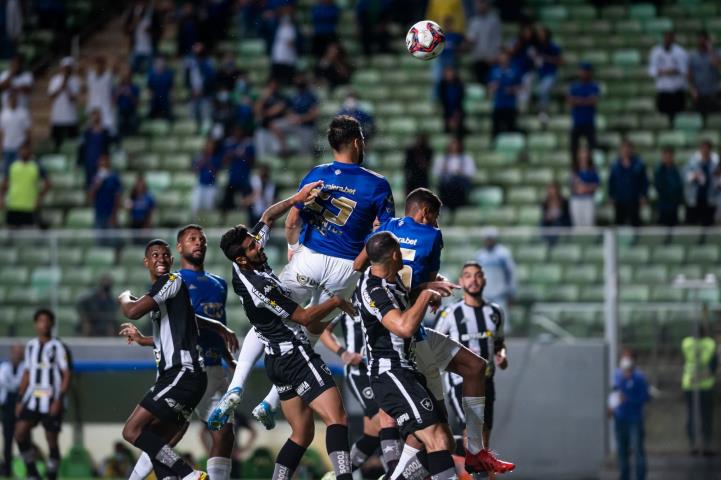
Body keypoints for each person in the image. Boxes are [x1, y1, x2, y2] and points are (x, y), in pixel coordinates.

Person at [209, 115, 394, 432]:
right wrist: (360, 263)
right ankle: (269, 401)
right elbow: (382, 238)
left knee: (270, 323)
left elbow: (291, 221)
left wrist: (295, 248)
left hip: (308, 257)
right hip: (345, 266)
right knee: (309, 332)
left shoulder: (317, 175)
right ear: (356, 142)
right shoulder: (377, 184)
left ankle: (235, 388)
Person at [350, 189, 515, 476]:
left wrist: (426, 286)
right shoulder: (427, 241)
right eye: (435, 218)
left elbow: (358, 263)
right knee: (437, 438)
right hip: (401, 354)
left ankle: (474, 452)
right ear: (426, 213)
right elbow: (406, 319)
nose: (436, 224)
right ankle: (468, 453)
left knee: (470, 375)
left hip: (414, 340)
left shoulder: (387, 235)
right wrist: (429, 291)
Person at [216, 182, 357, 480]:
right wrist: (336, 301)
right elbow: (304, 318)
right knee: (338, 419)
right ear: (241, 258)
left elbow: (267, 216)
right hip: (295, 357)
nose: (259, 245)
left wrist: (296, 197)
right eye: (253, 246)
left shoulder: (246, 259)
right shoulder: (262, 287)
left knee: (302, 434)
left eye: (256, 240)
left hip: (276, 362)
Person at [128, 225, 239, 480]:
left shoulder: (219, 284)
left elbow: (214, 332)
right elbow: (178, 326)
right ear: (179, 248)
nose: (198, 243)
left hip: (213, 371)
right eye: (191, 239)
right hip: (184, 370)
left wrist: (229, 359)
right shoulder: (171, 281)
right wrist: (146, 340)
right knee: (166, 436)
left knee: (224, 434)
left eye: (202, 239)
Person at [354, 231, 458, 480]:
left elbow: (403, 302)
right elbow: (404, 327)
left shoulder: (390, 279)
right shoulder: (374, 290)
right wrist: (424, 296)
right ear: (394, 254)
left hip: (405, 371)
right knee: (437, 439)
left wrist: (427, 287)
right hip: (390, 373)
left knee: (444, 439)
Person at [117, 239, 209, 480]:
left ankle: (189, 475)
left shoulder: (171, 281)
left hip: (182, 372)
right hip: (189, 377)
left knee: (131, 431)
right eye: (155, 255)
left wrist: (124, 296)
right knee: (155, 442)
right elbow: (167, 339)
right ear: (146, 261)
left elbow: (132, 311)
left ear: (171, 260)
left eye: (165, 255)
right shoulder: (164, 298)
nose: (161, 259)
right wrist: (141, 339)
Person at [434, 263, 509, 457]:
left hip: (487, 381)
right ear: (461, 281)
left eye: (477, 276)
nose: (473, 280)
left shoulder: (496, 312)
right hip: (459, 381)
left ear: (484, 280)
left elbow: (499, 342)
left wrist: (502, 355)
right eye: (467, 276)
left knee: (483, 436)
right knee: (472, 432)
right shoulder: (450, 314)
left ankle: (438, 452)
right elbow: (432, 345)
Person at [14, 309, 71, 480]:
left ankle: (52, 475)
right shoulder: (31, 346)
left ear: (52, 324)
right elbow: (27, 373)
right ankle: (32, 473)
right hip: (32, 399)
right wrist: (19, 398)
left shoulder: (58, 346)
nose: (44, 324)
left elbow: (66, 374)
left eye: (47, 320)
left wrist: (59, 398)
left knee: (51, 440)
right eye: (40, 320)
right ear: (35, 324)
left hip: (51, 399)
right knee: (20, 433)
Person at [611, 349, 650, 480]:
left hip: (635, 419)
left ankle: (641, 476)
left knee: (638, 450)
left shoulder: (639, 377)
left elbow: (645, 397)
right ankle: (624, 476)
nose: (625, 360)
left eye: (628, 357)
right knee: (622, 451)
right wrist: (611, 407)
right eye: (623, 357)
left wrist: (628, 398)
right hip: (620, 418)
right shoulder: (617, 374)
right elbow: (615, 392)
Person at [681, 325, 717, 456]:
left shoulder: (686, 343)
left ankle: (694, 444)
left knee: (692, 415)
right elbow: (713, 366)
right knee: (706, 416)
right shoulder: (710, 344)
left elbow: (683, 361)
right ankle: (705, 444)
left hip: (690, 384)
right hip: (705, 385)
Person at [474, 228, 516, 331]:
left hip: (500, 295)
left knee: (501, 326)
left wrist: (511, 292)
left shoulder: (503, 254)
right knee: (483, 326)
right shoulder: (479, 255)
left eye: (490, 239)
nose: (488, 241)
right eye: (486, 239)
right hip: (484, 295)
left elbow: (511, 274)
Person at [0, 142, 50, 228]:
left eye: (26, 150)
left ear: (30, 152)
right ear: (19, 152)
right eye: (22, 150)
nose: (24, 152)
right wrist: (2, 197)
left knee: (28, 234)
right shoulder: (12, 166)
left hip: (30, 206)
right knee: (11, 233)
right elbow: (5, 183)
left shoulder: (36, 166)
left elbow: (48, 183)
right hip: (13, 205)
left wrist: (39, 197)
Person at [648, 31, 688, 126]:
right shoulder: (656, 52)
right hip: (663, 90)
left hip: (677, 90)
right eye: (666, 38)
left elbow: (684, 70)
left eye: (670, 38)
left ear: (673, 39)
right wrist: (662, 72)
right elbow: (652, 71)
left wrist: (672, 71)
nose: (667, 40)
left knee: (679, 116)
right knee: (663, 117)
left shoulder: (680, 52)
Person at [433, 136, 475, 222]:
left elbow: (471, 172)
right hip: (447, 182)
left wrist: (461, 172)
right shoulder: (442, 158)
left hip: (460, 182)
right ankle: (446, 206)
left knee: (457, 182)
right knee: (446, 182)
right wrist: (443, 170)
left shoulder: (466, 158)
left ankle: (459, 205)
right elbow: (436, 172)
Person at [608, 140, 648, 227]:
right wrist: (611, 195)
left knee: (635, 224)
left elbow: (644, 181)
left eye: (628, 149)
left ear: (632, 150)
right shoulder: (615, 165)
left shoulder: (639, 164)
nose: (626, 151)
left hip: (634, 199)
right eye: (624, 149)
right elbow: (611, 182)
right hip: (620, 200)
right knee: (619, 224)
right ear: (620, 150)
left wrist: (643, 195)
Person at [567, 62, 600, 163]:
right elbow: (570, 101)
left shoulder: (594, 86)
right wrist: (586, 100)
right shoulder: (574, 86)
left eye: (585, 71)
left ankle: (589, 168)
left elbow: (594, 101)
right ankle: (575, 169)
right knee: (573, 148)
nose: (583, 73)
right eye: (582, 71)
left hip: (589, 122)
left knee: (591, 148)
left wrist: (579, 101)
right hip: (577, 122)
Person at [220, 127, 255, 220]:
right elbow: (224, 160)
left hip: (244, 178)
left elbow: (252, 161)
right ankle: (224, 220)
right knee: (226, 201)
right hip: (233, 177)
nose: (237, 134)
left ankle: (250, 220)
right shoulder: (230, 144)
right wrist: (232, 154)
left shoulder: (248, 144)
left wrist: (243, 155)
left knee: (248, 201)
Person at [48, 57, 81, 151]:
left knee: (73, 144)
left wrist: (67, 86)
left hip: (71, 118)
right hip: (57, 117)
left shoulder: (76, 80)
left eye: (69, 67)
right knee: (56, 143)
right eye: (65, 67)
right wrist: (61, 86)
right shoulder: (55, 80)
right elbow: (51, 97)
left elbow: (73, 98)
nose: (66, 69)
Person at [0, 343, 24, 477]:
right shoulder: (4, 367)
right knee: (7, 440)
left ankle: (27, 469)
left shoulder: (26, 368)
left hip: (22, 407)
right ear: (11, 353)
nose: (17, 355)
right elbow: (5, 383)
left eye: (20, 352)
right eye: (15, 352)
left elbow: (20, 384)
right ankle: (7, 469)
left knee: (23, 437)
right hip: (7, 407)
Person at [683, 139, 719, 226]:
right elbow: (685, 176)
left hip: (709, 200)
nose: (705, 150)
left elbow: (717, 182)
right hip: (694, 199)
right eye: (703, 148)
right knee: (692, 225)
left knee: (708, 226)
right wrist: (693, 176)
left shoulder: (715, 164)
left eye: (707, 148)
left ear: (710, 150)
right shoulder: (692, 162)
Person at [688, 31, 721, 125]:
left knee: (715, 121)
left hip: (713, 93)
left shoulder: (717, 53)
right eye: (700, 42)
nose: (702, 44)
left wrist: (710, 50)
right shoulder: (693, 56)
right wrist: (692, 89)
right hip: (699, 94)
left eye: (704, 42)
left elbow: (717, 65)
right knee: (699, 120)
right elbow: (690, 75)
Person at [466, 0, 502, 85]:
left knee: (491, 85)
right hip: (478, 59)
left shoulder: (494, 21)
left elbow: (497, 40)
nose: (480, 6)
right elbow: (471, 39)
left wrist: (495, 56)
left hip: (491, 59)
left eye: (482, 3)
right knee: (479, 86)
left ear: (487, 5)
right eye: (478, 4)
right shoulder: (473, 21)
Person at [488, 49, 521, 140]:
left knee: (511, 128)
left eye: (504, 57)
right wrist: (493, 87)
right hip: (498, 104)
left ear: (508, 58)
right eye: (501, 57)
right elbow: (490, 86)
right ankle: (494, 147)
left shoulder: (514, 69)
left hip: (510, 104)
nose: (502, 59)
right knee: (496, 129)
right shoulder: (494, 70)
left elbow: (520, 86)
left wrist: (512, 89)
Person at [184, 43, 216, 131]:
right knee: (192, 116)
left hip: (205, 93)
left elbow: (211, 78)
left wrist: (203, 89)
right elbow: (187, 79)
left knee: (205, 115)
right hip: (193, 93)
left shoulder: (208, 62)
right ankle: (193, 131)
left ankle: (204, 133)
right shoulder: (190, 63)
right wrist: (192, 89)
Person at [79, 109, 112, 188]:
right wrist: (79, 161)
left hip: (102, 162)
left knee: (102, 184)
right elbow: (82, 147)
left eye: (97, 116)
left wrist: (107, 160)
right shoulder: (86, 132)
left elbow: (108, 146)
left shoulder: (105, 132)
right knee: (89, 184)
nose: (95, 118)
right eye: (93, 116)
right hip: (89, 161)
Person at [89, 155, 123, 233]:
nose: (102, 165)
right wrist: (97, 184)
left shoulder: (114, 177)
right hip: (99, 213)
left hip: (111, 213)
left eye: (104, 163)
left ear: (108, 163)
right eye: (100, 164)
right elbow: (91, 196)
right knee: (99, 239)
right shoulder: (95, 177)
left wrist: (115, 213)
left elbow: (118, 196)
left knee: (111, 237)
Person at [535, 26, 562, 121]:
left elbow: (559, 61)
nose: (540, 36)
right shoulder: (538, 47)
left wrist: (546, 58)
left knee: (544, 89)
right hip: (540, 74)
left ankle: (543, 111)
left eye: (542, 34)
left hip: (551, 73)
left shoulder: (553, 46)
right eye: (539, 35)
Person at [653, 147, 684, 227]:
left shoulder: (676, 170)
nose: (667, 158)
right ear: (663, 157)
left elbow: (679, 186)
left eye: (669, 156)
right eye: (666, 156)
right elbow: (658, 186)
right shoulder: (659, 171)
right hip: (663, 204)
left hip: (674, 204)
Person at [85, 56, 117, 133]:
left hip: (106, 110)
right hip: (93, 110)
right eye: (97, 64)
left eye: (101, 64)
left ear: (104, 65)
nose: (98, 66)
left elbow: (116, 66)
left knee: (111, 133)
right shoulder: (90, 76)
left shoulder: (109, 76)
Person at [270, 5, 300, 86]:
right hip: (279, 55)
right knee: (277, 76)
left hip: (288, 56)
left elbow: (292, 42)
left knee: (288, 78)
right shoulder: (277, 26)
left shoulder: (293, 27)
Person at [569, 147, 599, 227]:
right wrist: (581, 188)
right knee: (577, 224)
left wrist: (586, 188)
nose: (583, 156)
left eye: (585, 153)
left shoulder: (593, 169)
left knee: (589, 223)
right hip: (576, 200)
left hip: (588, 199)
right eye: (581, 154)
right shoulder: (574, 169)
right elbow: (573, 186)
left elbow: (596, 185)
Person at [0, 90, 30, 170]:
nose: (13, 100)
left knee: (19, 170)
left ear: (17, 100)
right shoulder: (4, 114)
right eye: (11, 99)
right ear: (8, 100)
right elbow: (2, 132)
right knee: (6, 171)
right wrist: (1, 147)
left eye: (15, 99)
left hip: (19, 147)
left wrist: (27, 146)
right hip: (7, 147)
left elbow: (27, 131)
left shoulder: (23, 113)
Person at [191, 138, 222, 216]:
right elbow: (194, 170)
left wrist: (208, 161)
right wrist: (203, 160)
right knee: (195, 206)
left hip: (211, 186)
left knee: (208, 207)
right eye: (207, 146)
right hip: (200, 184)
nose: (208, 148)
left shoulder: (216, 158)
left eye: (210, 146)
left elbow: (216, 172)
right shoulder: (199, 157)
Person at [439, 67, 465, 135]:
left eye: (451, 73)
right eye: (448, 74)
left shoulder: (459, 83)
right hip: (447, 108)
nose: (450, 75)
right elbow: (442, 98)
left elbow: (461, 96)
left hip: (457, 107)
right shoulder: (442, 84)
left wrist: (456, 111)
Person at [147, 56, 174, 121]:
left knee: (167, 111)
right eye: (158, 62)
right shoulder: (151, 74)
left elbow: (171, 88)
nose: (160, 64)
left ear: (164, 63)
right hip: (155, 99)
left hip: (165, 99)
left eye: (162, 62)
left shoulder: (168, 74)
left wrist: (172, 96)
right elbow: (150, 88)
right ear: (155, 63)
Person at [115, 70, 141, 137]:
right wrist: (118, 93)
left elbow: (137, 103)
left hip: (131, 111)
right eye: (125, 77)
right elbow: (113, 102)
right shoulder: (118, 88)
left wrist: (130, 94)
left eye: (128, 77)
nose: (126, 79)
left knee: (133, 122)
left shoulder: (135, 88)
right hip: (121, 111)